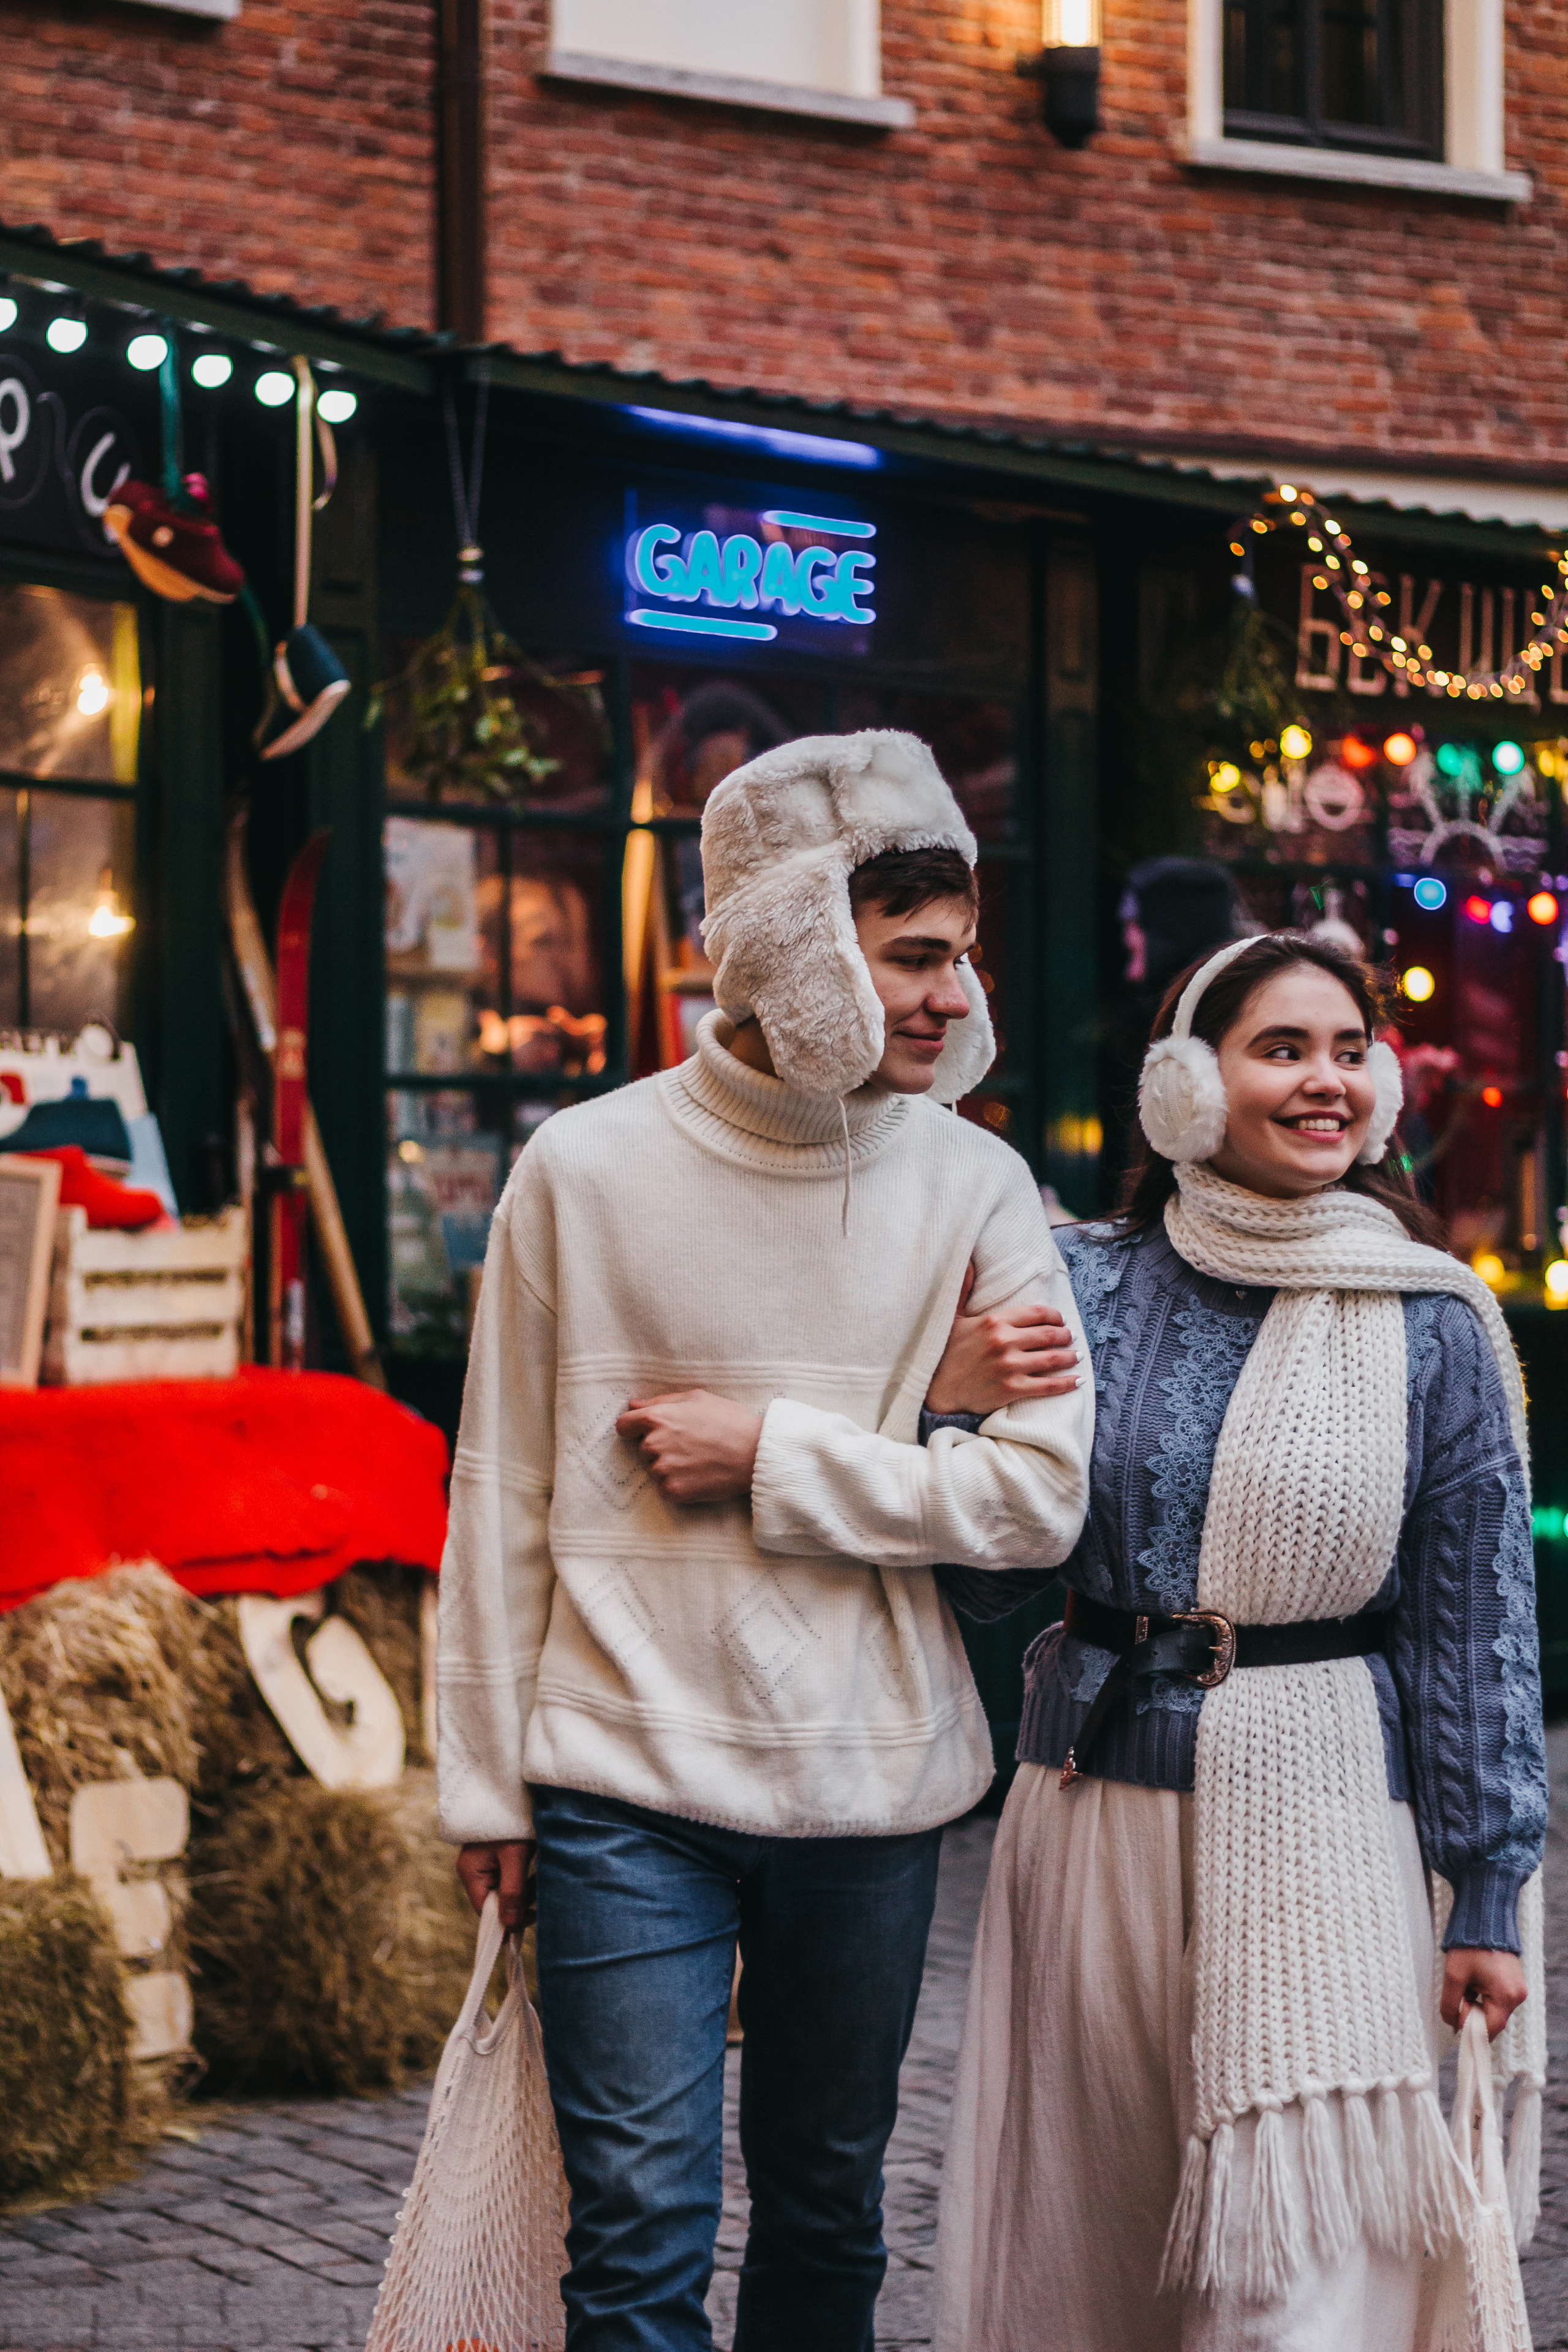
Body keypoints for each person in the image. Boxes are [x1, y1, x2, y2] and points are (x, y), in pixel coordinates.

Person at [436, 727, 1095, 2350]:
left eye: (964, 957)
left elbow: (1035, 1507)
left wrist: (784, 1453)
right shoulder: (583, 1170)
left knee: (826, 2213)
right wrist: (482, 1781)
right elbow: (502, 1492)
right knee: (640, 2237)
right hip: (619, 1784)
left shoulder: (980, 1184)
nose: (955, 996)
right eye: (913, 957)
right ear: (798, 949)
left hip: (871, 1780)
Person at [927, 930, 1548, 2351]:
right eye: (1281, 1049)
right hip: (1090, 1824)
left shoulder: (1430, 1323)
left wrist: (1487, 1894)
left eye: (1346, 1053)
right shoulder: (1073, 1287)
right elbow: (976, 1580)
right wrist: (950, 1415)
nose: (1324, 1082)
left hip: (1328, 1817)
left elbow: (1474, 1629)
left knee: (1298, 2284)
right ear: (1183, 1087)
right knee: (1094, 2255)